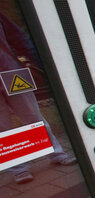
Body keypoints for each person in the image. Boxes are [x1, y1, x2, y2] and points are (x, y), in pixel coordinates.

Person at [0, 12, 76, 184]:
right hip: (11, 71)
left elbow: (18, 38)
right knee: (2, 127)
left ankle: (56, 153)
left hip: (11, 72)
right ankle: (19, 168)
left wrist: (35, 62)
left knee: (33, 117)